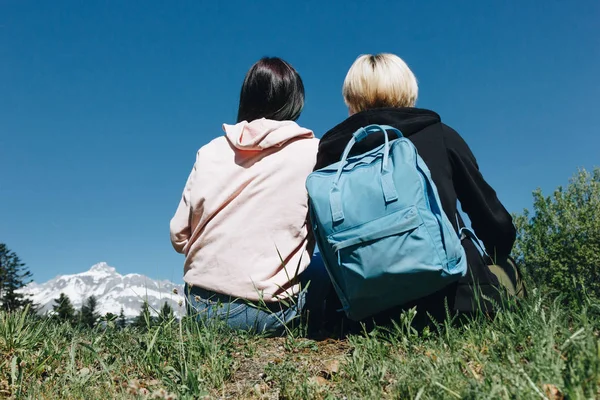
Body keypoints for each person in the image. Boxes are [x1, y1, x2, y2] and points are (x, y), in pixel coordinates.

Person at [315, 53, 517, 330]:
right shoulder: (440, 134)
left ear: (351, 97)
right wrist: (496, 255)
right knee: (511, 271)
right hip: (456, 300)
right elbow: (494, 222)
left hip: (365, 317)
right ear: (408, 90)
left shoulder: (331, 155)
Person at [170, 57, 328, 335]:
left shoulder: (209, 152)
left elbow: (179, 236)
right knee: (323, 268)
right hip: (271, 313)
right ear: (295, 102)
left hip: (201, 309)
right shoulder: (314, 153)